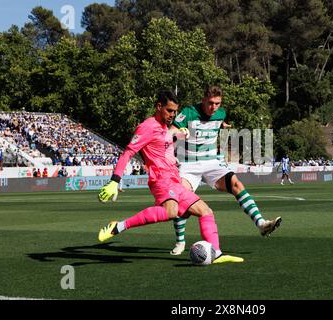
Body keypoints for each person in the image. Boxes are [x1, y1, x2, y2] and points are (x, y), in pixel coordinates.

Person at [97, 90, 242, 264]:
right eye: (169, 110)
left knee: (206, 212)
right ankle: (118, 226)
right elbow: (129, 152)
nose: (173, 115)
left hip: (174, 178)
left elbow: (163, 145)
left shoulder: (165, 127)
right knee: (171, 212)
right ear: (159, 107)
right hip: (160, 178)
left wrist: (178, 136)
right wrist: (115, 180)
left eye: (175, 111)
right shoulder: (147, 126)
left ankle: (216, 253)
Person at [169, 85, 282, 255]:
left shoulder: (220, 113)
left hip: (212, 162)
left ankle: (261, 224)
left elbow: (218, 122)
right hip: (188, 164)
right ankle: (180, 242)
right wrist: (178, 132)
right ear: (203, 100)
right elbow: (171, 131)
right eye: (211, 103)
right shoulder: (188, 112)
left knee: (237, 184)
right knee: (182, 202)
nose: (214, 107)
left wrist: (223, 125)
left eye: (218, 104)